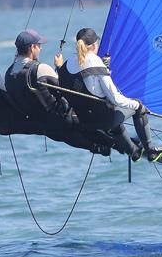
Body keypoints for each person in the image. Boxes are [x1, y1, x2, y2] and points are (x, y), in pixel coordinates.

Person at [4, 29, 119, 158]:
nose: (40, 49)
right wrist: (60, 67)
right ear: (32, 47)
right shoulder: (40, 69)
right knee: (103, 129)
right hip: (67, 119)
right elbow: (68, 87)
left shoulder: (8, 74)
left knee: (75, 135)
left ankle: (98, 146)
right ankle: (124, 146)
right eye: (39, 46)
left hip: (47, 128)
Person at [57, 27, 153, 159]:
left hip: (86, 123)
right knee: (136, 107)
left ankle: (133, 151)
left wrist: (103, 69)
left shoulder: (66, 65)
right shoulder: (94, 61)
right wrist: (137, 105)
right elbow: (116, 99)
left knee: (110, 113)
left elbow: (79, 83)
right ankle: (151, 151)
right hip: (104, 121)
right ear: (94, 45)